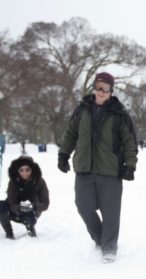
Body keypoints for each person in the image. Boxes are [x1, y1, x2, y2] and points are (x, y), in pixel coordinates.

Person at [58, 71, 138, 263]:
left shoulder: (120, 114)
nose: (101, 92)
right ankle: (100, 238)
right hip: (84, 168)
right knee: (83, 206)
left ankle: (109, 247)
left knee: (110, 212)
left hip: (110, 170)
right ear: (94, 88)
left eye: (105, 88)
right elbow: (70, 134)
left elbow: (130, 142)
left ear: (111, 91)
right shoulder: (82, 110)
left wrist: (130, 165)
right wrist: (63, 154)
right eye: (98, 87)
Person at [0, 156, 50, 239]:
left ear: (32, 169)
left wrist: (33, 206)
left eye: (27, 170)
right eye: (21, 170)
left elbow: (45, 203)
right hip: (15, 210)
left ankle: (30, 228)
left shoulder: (40, 181)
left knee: (29, 217)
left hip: (32, 211)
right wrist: (18, 207)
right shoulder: (13, 181)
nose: (24, 173)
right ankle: (9, 233)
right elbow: (11, 201)